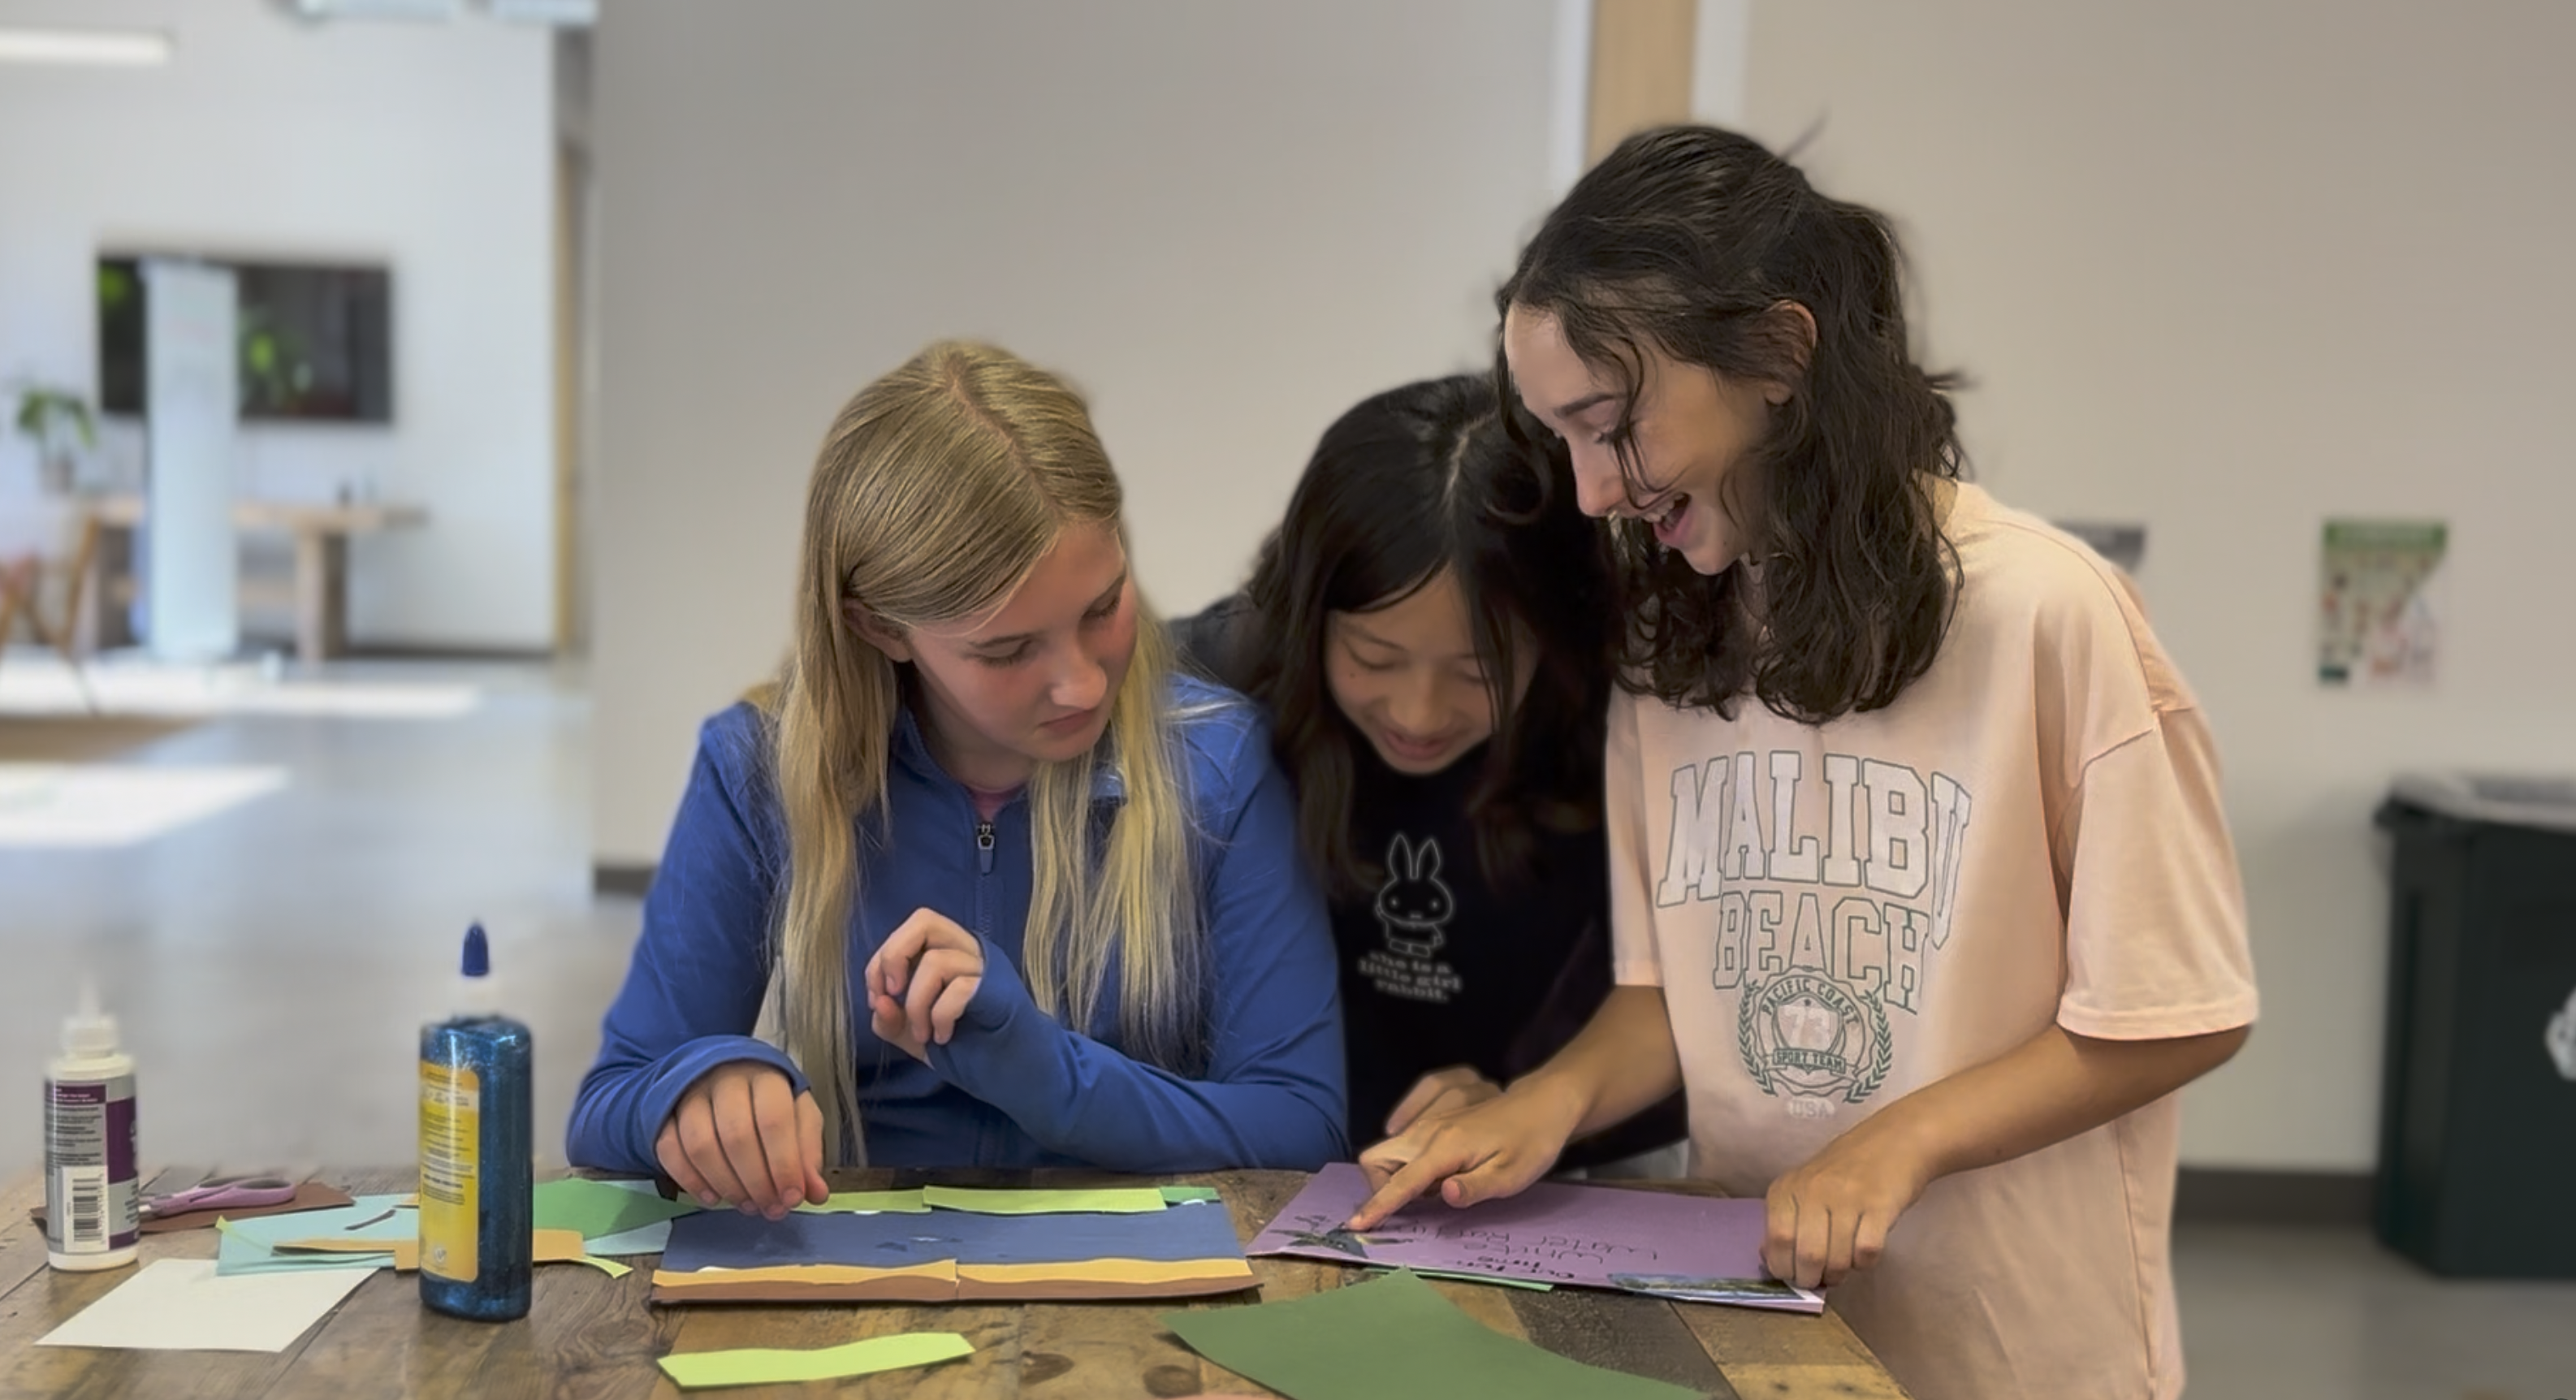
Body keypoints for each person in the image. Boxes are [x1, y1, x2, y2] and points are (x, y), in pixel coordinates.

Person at [1351, 127, 2258, 1400]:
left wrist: (1902, 1144)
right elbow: (1672, 995)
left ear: (1779, 355)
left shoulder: (2049, 616)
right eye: (1562, 441)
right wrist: (1544, 1102)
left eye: (1610, 427)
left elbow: (2180, 1013)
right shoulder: (1668, 646)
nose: (1593, 491)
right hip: (1766, 1330)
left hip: (2019, 1352)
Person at [568, 341, 1346, 1215]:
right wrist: (701, 1088)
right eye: (1006, 649)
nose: (1083, 683)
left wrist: (1046, 1070)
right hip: (854, 1292)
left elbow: (1301, 1122)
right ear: (879, 626)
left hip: (1130, 1296)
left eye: (1104, 606)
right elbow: (607, 1106)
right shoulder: (760, 770)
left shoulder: (1219, 762)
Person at [1175, 375, 1684, 1168]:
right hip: (1255, 1153)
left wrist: (1529, 1101)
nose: (1416, 713)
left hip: (1538, 1158)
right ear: (1306, 618)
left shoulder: (1624, 727)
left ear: (1554, 641)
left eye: (1475, 670)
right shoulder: (1218, 687)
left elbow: (1682, 1011)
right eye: (1373, 657)